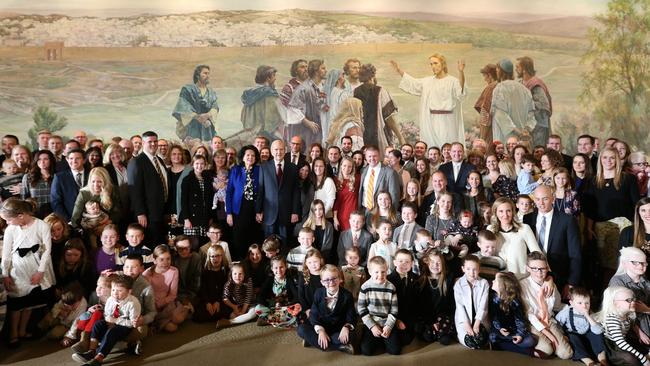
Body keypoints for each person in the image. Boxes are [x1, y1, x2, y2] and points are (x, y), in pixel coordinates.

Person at [1, 198, 55, 348]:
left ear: (20, 216)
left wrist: (40, 272)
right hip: (18, 268)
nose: (7, 223)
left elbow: (46, 251)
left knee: (30, 302)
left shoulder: (42, 226)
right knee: (17, 302)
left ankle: (23, 331)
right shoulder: (11, 230)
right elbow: (6, 254)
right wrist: (5, 274)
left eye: (8, 220)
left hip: (36, 267)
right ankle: (13, 334)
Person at [583, 146, 639, 281]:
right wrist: (589, 228)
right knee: (603, 264)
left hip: (624, 227)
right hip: (601, 227)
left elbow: (636, 204)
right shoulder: (592, 181)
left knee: (623, 261)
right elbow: (590, 208)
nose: (608, 161)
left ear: (617, 160)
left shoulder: (628, 179)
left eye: (612, 158)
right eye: (605, 157)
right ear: (600, 160)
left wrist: (637, 227)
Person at [391, 54, 466, 148]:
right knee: (432, 147)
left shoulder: (453, 81)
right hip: (431, 120)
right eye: (431, 64)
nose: (433, 66)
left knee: (448, 146)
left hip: (448, 121)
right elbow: (413, 83)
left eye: (435, 63)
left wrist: (461, 72)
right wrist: (399, 70)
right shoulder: (427, 82)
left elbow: (461, 92)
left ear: (443, 64)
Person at [524, 185, 582, 298]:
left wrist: (571, 283)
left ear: (553, 198)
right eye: (537, 199)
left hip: (559, 277)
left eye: (545, 198)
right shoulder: (527, 219)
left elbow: (575, 254)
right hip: (532, 276)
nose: (541, 203)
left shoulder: (567, 220)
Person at [71, 274, 140, 366]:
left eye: (119, 291)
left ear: (129, 291)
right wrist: (108, 321)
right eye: (113, 290)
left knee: (113, 332)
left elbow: (132, 323)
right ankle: (91, 351)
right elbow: (107, 314)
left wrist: (115, 321)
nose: (115, 293)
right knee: (98, 324)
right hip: (111, 321)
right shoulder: (111, 299)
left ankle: (99, 358)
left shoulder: (133, 303)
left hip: (125, 325)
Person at [520, 251, 573, 360]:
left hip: (548, 320)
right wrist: (550, 335)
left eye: (543, 269)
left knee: (566, 354)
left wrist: (574, 308)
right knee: (547, 350)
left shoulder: (551, 284)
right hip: (533, 323)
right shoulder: (523, 286)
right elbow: (529, 315)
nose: (539, 272)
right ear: (528, 268)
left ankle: (559, 338)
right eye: (534, 268)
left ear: (547, 268)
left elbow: (557, 306)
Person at [297, 264, 356, 354]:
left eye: (334, 278)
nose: (331, 282)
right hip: (322, 325)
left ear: (340, 279)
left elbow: (351, 316)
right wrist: (320, 330)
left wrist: (346, 327)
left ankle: (313, 341)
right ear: (322, 282)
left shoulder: (347, 295)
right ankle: (339, 347)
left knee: (351, 336)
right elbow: (313, 314)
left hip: (338, 328)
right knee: (301, 329)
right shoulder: (318, 293)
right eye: (327, 280)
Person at [256, 139, 301, 247]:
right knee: (268, 245)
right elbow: (261, 191)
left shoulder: (293, 168)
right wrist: (258, 210)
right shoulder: (263, 167)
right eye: (276, 149)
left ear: (285, 150)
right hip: (268, 214)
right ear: (271, 151)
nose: (278, 152)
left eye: (281, 149)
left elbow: (296, 192)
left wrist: (295, 211)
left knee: (284, 245)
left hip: (286, 213)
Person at [127, 131, 169, 248]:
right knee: (151, 244)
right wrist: (140, 213)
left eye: (155, 141)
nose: (153, 144)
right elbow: (134, 190)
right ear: (143, 143)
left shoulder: (159, 160)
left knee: (160, 245)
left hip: (161, 211)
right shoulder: (136, 162)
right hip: (148, 214)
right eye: (149, 142)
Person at [354, 63, 406, 151]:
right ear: (373, 75)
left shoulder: (355, 92)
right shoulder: (380, 91)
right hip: (378, 135)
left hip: (362, 134)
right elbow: (389, 118)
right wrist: (400, 137)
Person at [357, 256, 401, 356]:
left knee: (395, 351)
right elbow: (361, 309)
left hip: (386, 322)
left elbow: (394, 310)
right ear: (370, 271)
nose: (380, 275)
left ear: (387, 271)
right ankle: (375, 337)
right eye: (376, 272)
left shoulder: (391, 287)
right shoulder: (365, 287)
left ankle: (383, 338)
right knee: (366, 351)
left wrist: (389, 326)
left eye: (383, 271)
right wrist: (372, 326)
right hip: (372, 322)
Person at [489, 197, 541, 277]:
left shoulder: (524, 228)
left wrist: (547, 277)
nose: (505, 215)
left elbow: (537, 254)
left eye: (508, 211)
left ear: (513, 212)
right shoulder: (490, 230)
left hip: (522, 278)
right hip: (500, 279)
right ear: (495, 213)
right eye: (501, 211)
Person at [226, 145, 262, 261]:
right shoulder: (235, 170)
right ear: (243, 157)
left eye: (253, 155)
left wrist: (260, 211)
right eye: (248, 155)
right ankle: (239, 265)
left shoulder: (259, 170)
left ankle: (251, 264)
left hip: (254, 210)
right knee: (238, 239)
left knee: (252, 239)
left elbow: (263, 192)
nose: (250, 157)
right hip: (238, 211)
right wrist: (229, 213)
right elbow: (229, 192)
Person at [554, 287, 607, 366]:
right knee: (573, 338)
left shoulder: (591, 313)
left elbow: (598, 331)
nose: (584, 306)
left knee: (597, 335)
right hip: (574, 334)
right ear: (571, 303)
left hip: (587, 337)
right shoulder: (566, 312)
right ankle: (588, 361)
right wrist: (562, 335)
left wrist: (587, 316)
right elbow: (557, 324)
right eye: (580, 303)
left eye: (587, 303)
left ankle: (603, 359)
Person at [489, 271, 537, 356]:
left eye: (495, 280)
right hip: (501, 331)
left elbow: (520, 320)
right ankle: (527, 351)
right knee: (492, 337)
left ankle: (503, 344)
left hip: (514, 331)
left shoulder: (514, 302)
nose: (492, 281)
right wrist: (499, 328)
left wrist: (520, 335)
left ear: (503, 286)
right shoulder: (493, 299)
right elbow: (494, 318)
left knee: (530, 341)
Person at [142, 245, 188, 333]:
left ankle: (186, 309)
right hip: (152, 306)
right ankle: (159, 322)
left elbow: (173, 295)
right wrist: (154, 305)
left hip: (167, 303)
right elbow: (146, 296)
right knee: (172, 328)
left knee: (178, 319)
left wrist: (161, 303)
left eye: (168, 259)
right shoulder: (147, 274)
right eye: (162, 259)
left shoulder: (174, 271)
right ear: (155, 260)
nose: (166, 262)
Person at [600, 286, 650, 365]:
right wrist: (642, 358)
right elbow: (620, 342)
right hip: (613, 345)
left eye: (633, 299)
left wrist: (639, 333)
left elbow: (632, 324)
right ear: (616, 304)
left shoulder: (628, 313)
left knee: (644, 348)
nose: (633, 302)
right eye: (628, 300)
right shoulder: (612, 318)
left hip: (625, 339)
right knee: (630, 359)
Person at [415, 250, 455, 345]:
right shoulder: (422, 280)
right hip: (428, 316)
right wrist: (432, 322)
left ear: (443, 264)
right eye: (432, 262)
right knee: (427, 336)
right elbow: (422, 305)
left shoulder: (448, 279)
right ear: (427, 263)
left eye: (438, 263)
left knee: (445, 340)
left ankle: (440, 333)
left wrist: (440, 321)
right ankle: (433, 331)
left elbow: (450, 304)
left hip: (443, 316)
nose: (435, 265)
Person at [491, 58, 536, 143]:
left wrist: (518, 132)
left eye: (497, 69)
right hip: (522, 138)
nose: (496, 71)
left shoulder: (499, 88)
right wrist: (526, 130)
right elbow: (531, 115)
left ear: (501, 71)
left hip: (505, 136)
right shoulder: (525, 90)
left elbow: (500, 114)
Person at [609, 247, 650, 339]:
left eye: (643, 263)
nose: (640, 266)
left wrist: (646, 310)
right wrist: (638, 331)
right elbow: (619, 312)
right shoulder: (617, 282)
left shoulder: (646, 282)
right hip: (629, 325)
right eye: (635, 262)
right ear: (624, 263)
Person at [286, 59, 328, 148]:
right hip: (307, 130)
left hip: (322, 127)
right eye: (323, 68)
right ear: (316, 72)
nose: (326, 71)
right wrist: (307, 122)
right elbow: (292, 108)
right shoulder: (304, 88)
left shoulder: (324, 87)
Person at [172, 64, 219, 143]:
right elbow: (183, 106)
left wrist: (207, 115)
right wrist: (198, 117)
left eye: (208, 73)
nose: (208, 76)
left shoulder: (211, 92)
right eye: (205, 73)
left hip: (208, 126)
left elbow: (215, 107)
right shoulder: (188, 89)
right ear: (197, 75)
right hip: (192, 126)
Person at [240, 65, 284, 141]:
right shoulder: (270, 94)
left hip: (250, 137)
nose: (275, 78)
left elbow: (243, 118)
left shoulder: (249, 94)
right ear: (268, 78)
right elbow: (272, 121)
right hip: (266, 139)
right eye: (273, 76)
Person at [454, 255, 490, 349]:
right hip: (464, 320)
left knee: (481, 341)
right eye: (468, 269)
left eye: (475, 269)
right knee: (471, 342)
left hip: (480, 320)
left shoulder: (484, 283)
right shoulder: (458, 284)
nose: (471, 272)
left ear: (479, 269)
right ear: (463, 269)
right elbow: (460, 306)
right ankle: (461, 335)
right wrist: (467, 325)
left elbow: (483, 306)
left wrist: (476, 324)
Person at [254, 256, 300, 328]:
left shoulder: (289, 280)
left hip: (285, 307)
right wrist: (272, 304)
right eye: (276, 268)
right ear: (272, 269)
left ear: (286, 267)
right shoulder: (269, 279)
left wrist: (287, 306)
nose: (278, 270)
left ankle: (270, 320)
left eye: (281, 267)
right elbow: (260, 296)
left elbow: (297, 296)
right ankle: (279, 321)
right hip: (272, 306)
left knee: (297, 309)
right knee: (257, 308)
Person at [516, 56, 553, 147]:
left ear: (524, 69)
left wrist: (526, 103)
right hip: (525, 126)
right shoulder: (520, 83)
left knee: (537, 151)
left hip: (538, 126)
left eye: (518, 67)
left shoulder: (535, 84)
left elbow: (544, 105)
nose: (516, 69)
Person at [179, 155, 213, 243]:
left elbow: (209, 200)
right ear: (192, 165)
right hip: (191, 218)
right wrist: (186, 219)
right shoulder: (187, 180)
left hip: (204, 216)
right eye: (197, 163)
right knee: (192, 244)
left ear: (205, 165)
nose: (199, 166)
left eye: (202, 164)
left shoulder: (207, 179)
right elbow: (183, 201)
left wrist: (209, 217)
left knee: (203, 242)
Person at [387, 250, 418, 346]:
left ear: (412, 263)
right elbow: (386, 305)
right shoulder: (388, 279)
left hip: (410, 315)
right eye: (400, 261)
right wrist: (396, 320)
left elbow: (417, 301)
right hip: (394, 317)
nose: (404, 264)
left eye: (407, 262)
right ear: (394, 262)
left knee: (408, 339)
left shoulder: (416, 278)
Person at [358, 146, 401, 213]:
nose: (372, 158)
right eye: (369, 156)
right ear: (365, 157)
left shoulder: (390, 172)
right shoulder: (363, 171)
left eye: (375, 156)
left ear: (379, 156)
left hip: (381, 212)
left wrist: (391, 214)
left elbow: (394, 195)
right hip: (364, 210)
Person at [193, 245, 229, 323]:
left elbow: (225, 289)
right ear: (209, 257)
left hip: (221, 299)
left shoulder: (226, 271)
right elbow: (203, 289)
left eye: (218, 256)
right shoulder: (205, 271)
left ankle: (215, 316)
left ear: (222, 256)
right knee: (197, 316)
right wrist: (208, 303)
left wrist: (218, 302)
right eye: (212, 256)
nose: (215, 259)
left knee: (227, 310)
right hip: (207, 299)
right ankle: (216, 316)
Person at [215, 263, 257, 330]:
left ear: (244, 274)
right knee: (232, 315)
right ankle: (239, 319)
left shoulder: (248, 281)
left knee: (253, 314)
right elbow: (225, 298)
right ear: (231, 275)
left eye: (240, 274)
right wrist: (234, 307)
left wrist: (243, 311)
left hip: (249, 304)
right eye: (235, 274)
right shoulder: (228, 284)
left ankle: (230, 322)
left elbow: (248, 297)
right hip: (237, 305)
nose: (237, 276)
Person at [51, 148, 89, 222]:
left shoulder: (92, 174)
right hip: (69, 221)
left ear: (84, 160)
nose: (74, 161)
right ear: (67, 160)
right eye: (71, 158)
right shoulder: (59, 177)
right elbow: (55, 202)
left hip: (92, 219)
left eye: (77, 158)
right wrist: (68, 221)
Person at [21, 149, 55, 218]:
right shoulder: (28, 177)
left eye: (46, 159)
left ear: (51, 161)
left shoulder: (57, 176)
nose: (42, 162)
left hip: (54, 213)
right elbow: (24, 198)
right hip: (35, 213)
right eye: (39, 159)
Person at [333, 157, 359, 232]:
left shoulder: (357, 179)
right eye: (344, 165)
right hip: (341, 215)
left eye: (349, 166)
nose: (346, 168)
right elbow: (336, 201)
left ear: (352, 168)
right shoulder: (335, 180)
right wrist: (335, 218)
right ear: (341, 166)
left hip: (354, 216)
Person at [475, 64, 498, 145]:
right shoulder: (501, 85)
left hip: (490, 129)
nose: (484, 79)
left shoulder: (491, 87)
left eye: (484, 76)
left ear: (490, 75)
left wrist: (482, 137)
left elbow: (485, 111)